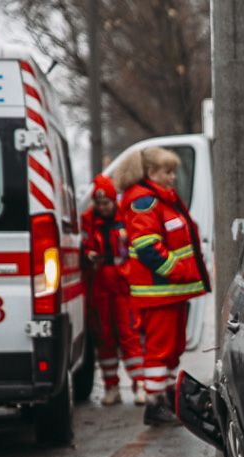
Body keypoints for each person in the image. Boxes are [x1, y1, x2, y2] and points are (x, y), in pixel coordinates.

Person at [114, 147, 210, 425]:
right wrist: (178, 271)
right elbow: (147, 247)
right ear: (150, 173)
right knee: (160, 350)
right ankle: (155, 404)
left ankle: (166, 398)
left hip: (170, 292)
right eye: (167, 172)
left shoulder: (160, 200)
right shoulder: (145, 202)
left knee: (172, 348)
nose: (172, 178)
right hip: (160, 292)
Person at [80, 174, 144, 407]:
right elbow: (84, 245)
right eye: (99, 203)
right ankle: (111, 387)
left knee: (129, 335)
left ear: (114, 201)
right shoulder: (88, 220)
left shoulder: (125, 216)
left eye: (107, 203)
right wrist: (88, 255)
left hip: (123, 285)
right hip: (99, 284)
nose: (103, 207)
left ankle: (140, 385)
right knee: (104, 337)